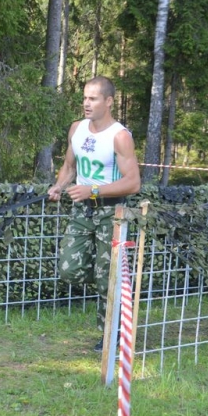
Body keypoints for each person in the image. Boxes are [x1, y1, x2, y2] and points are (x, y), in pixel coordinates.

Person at [47, 76, 141, 352]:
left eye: (93, 98)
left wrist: (94, 191)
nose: (86, 103)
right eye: (85, 98)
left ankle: (112, 335)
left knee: (107, 278)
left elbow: (134, 183)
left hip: (112, 212)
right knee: (68, 269)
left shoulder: (120, 136)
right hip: (82, 210)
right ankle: (110, 286)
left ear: (109, 101)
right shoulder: (77, 129)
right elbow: (68, 165)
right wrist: (59, 185)